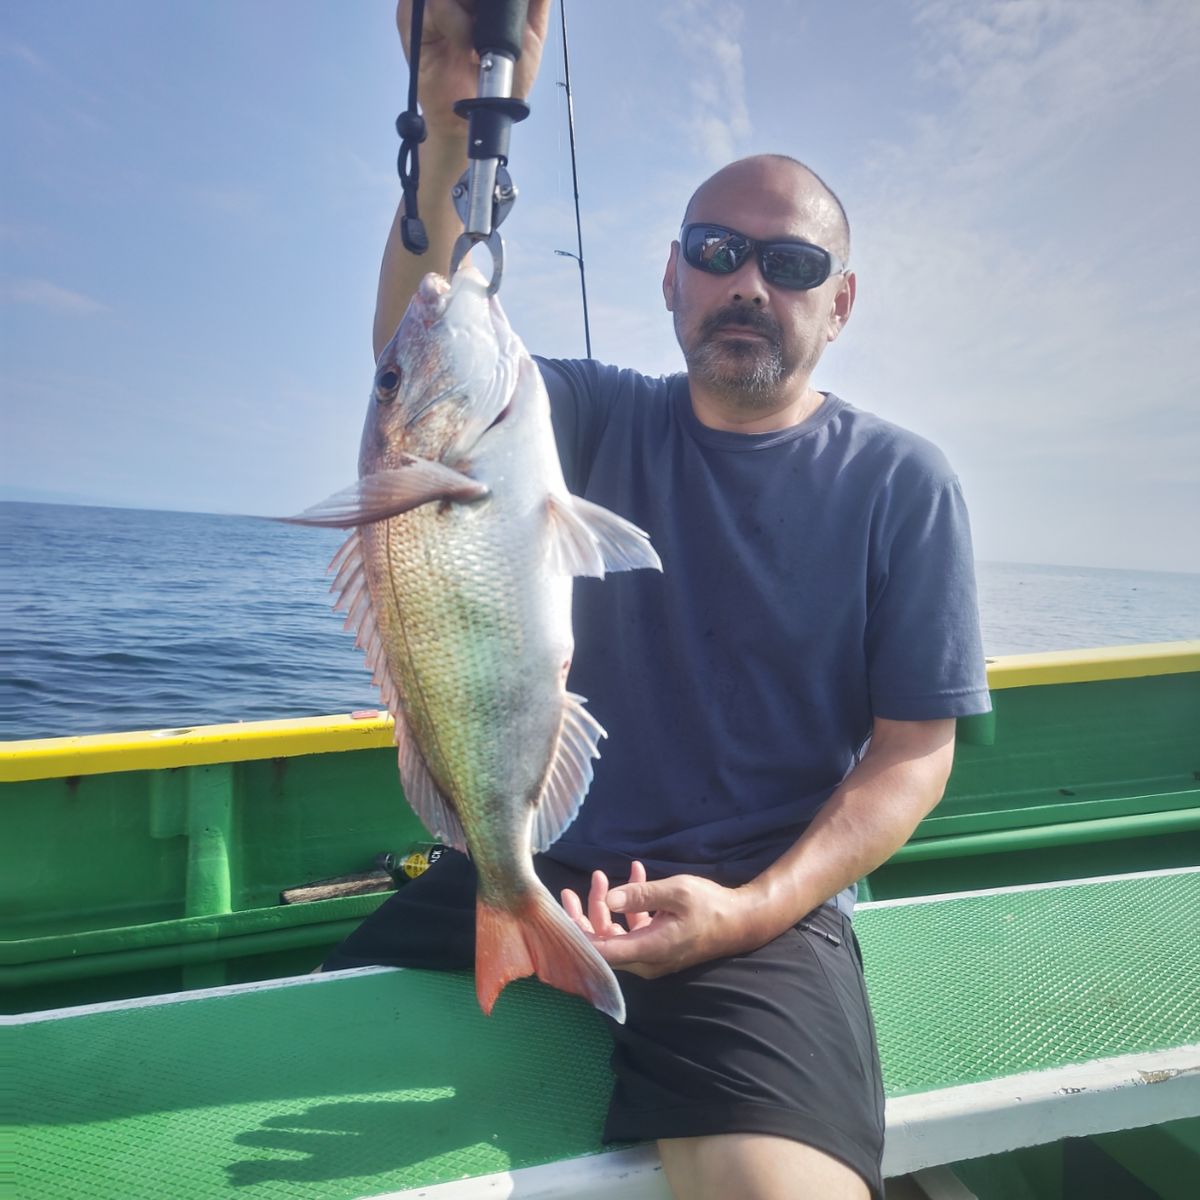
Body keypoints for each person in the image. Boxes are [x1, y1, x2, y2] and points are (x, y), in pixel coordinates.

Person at [322, 4, 992, 1198]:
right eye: (717, 251)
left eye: (791, 266)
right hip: (516, 863)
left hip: (748, 913)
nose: (749, 284)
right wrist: (444, 121)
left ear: (840, 303)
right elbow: (415, 353)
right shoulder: (566, 417)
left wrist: (746, 912)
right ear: (672, 274)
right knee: (261, 1102)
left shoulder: (904, 483)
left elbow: (911, 756)